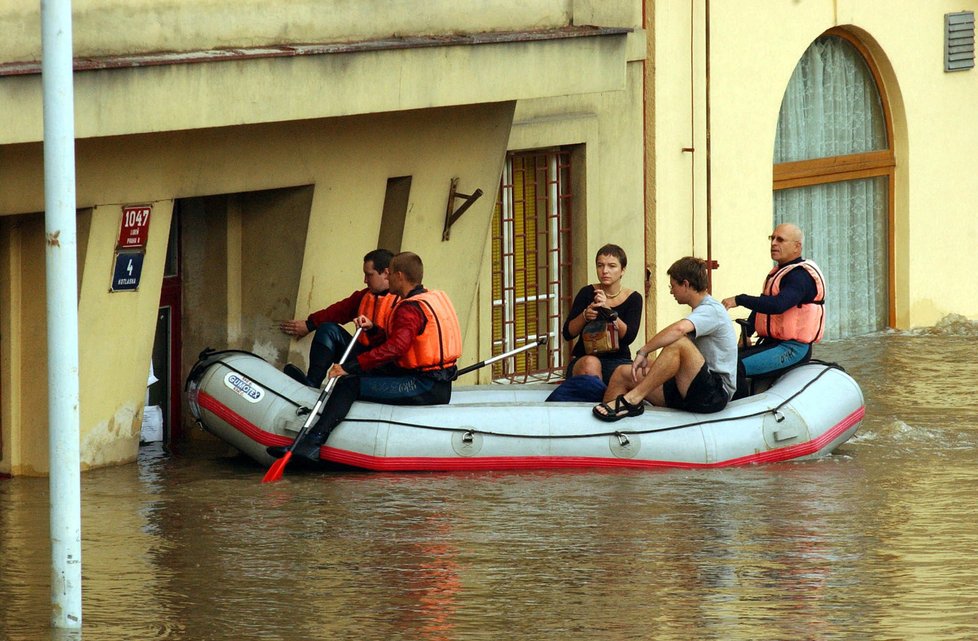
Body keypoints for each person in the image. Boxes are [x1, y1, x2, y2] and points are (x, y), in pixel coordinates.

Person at [268, 251, 462, 462]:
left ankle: (313, 443)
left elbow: (396, 348)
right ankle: (312, 434)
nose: (387, 279)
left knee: (349, 383)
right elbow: (399, 343)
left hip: (425, 386)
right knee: (351, 379)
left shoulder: (410, 309)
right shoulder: (427, 298)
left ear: (399, 276)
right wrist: (373, 330)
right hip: (431, 381)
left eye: (390, 275)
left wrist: (350, 367)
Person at [592, 256, 737, 421]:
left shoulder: (712, 310)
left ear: (686, 284)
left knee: (678, 342)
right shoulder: (700, 311)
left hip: (714, 393)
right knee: (622, 372)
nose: (671, 291)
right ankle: (606, 431)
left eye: (673, 286)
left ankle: (633, 399)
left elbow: (679, 330)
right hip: (690, 384)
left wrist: (644, 351)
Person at [721, 223, 826, 397]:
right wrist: (746, 333)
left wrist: (739, 299)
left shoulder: (801, 277)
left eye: (780, 239)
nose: (773, 243)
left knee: (735, 366)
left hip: (793, 349)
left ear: (796, 246)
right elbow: (764, 306)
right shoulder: (780, 272)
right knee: (722, 360)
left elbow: (777, 305)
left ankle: (739, 412)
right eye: (772, 238)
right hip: (772, 343)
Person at [279, 248, 398, 387]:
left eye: (369, 275)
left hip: (382, 364)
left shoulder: (402, 303)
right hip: (361, 355)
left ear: (385, 273)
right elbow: (339, 311)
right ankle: (311, 383)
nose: (365, 280)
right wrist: (309, 324)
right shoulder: (365, 295)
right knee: (327, 329)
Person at [561, 244, 643, 384]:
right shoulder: (587, 292)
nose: (605, 271)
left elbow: (629, 337)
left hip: (618, 360)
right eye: (600, 265)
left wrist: (608, 310)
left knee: (642, 374)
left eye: (612, 266)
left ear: (622, 270)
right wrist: (585, 315)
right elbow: (568, 333)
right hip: (585, 358)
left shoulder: (634, 298)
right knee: (591, 364)